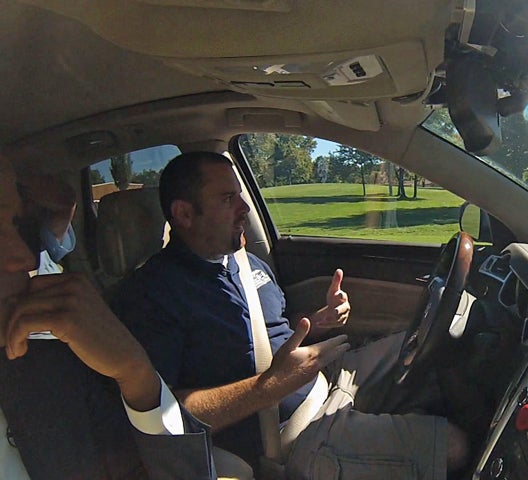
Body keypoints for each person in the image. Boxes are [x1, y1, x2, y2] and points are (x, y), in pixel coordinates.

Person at [113, 152, 469, 480]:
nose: (244, 209)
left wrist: (318, 322)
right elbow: (167, 418)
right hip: (294, 434)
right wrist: (271, 385)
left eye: (240, 196)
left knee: (440, 348)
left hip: (326, 377)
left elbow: (271, 332)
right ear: (184, 214)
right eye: (227, 199)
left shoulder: (246, 262)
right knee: (453, 447)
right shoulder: (152, 294)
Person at [0, 157, 222, 480]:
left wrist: (138, 376)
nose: (26, 258)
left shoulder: (52, 374)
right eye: (227, 199)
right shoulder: (151, 295)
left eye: (18, 225)